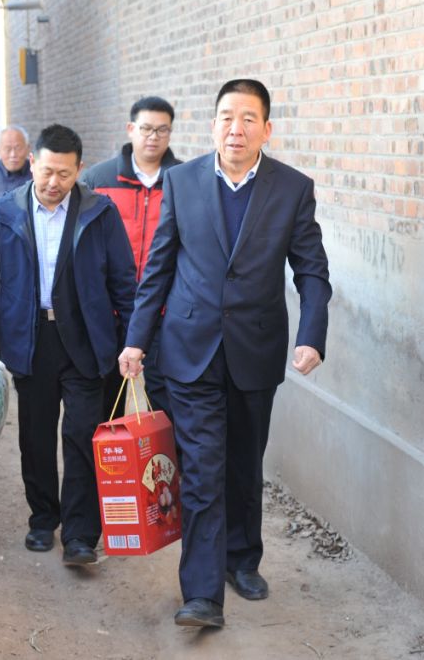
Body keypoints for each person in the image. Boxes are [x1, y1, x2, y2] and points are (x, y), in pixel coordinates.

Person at [119, 79, 331, 628]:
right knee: (202, 470)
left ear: (267, 129)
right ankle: (202, 594)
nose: (236, 129)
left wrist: (312, 334)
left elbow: (311, 271)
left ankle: (242, 559)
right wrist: (136, 340)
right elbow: (159, 267)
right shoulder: (182, 181)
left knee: (244, 463)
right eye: (226, 118)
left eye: (248, 119)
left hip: (255, 349)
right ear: (213, 125)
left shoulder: (292, 189)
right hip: (189, 349)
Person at [0, 124, 137, 566]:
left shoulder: (100, 213)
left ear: (79, 170)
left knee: (82, 435)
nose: (54, 182)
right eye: (47, 171)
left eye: (64, 173)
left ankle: (80, 534)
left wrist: (133, 343)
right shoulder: (5, 212)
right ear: (32, 164)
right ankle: (42, 519)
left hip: (86, 341)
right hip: (30, 337)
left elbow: (123, 282)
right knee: (36, 436)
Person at [82, 96, 182, 424]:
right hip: (110, 311)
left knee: (164, 405)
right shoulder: (98, 180)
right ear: (130, 129)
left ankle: (162, 460)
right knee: (102, 402)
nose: (153, 136)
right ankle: (106, 459)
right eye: (146, 128)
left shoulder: (185, 180)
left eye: (162, 130)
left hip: (164, 313)